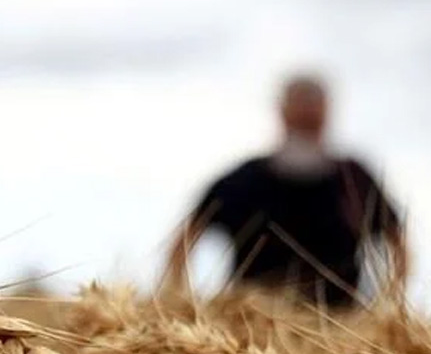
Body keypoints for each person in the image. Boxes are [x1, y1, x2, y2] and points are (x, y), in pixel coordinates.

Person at [163, 73, 408, 309]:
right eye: (300, 109)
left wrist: (387, 307)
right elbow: (184, 240)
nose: (306, 116)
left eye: (312, 112)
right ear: (282, 112)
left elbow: (398, 243)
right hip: (250, 331)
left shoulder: (355, 179)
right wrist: (180, 304)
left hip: (340, 328)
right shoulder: (243, 181)